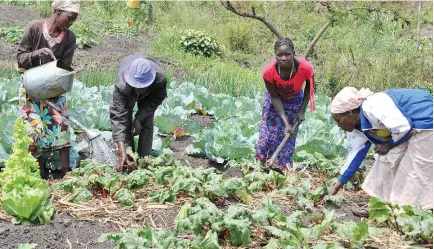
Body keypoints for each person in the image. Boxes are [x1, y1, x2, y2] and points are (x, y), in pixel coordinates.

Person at [328, 87, 433, 210]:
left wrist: (389, 144)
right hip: (406, 128)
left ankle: (408, 210)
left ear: (350, 113)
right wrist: (336, 187)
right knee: (386, 160)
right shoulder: (356, 127)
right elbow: (355, 155)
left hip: (425, 122)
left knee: (414, 171)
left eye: (338, 120)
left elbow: (403, 127)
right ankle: (381, 205)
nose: (339, 125)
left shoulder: (373, 107)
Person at [17, 0, 80, 179]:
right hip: (31, 87)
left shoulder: (69, 38)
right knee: (34, 129)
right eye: (70, 17)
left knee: (61, 126)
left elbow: (65, 67)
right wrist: (36, 55)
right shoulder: (34, 28)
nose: (71, 22)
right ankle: (40, 175)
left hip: (53, 87)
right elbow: (20, 58)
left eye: (74, 19)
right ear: (58, 12)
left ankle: (66, 174)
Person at [255, 37, 315, 169]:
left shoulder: (305, 68)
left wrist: (301, 111)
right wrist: (285, 122)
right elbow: (274, 97)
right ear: (275, 55)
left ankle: (282, 166)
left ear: (293, 53)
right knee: (269, 133)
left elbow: (309, 89)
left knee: (289, 134)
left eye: (287, 54)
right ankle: (264, 164)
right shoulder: (268, 71)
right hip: (274, 99)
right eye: (279, 54)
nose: (283, 58)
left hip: (295, 99)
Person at [110, 54, 167, 172]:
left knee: (147, 122)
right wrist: (121, 150)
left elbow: (156, 99)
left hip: (150, 93)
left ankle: (144, 162)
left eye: (142, 86)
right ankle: (128, 160)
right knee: (125, 124)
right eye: (136, 85)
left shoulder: (159, 80)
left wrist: (139, 119)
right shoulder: (122, 85)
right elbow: (118, 116)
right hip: (127, 90)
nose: (139, 89)